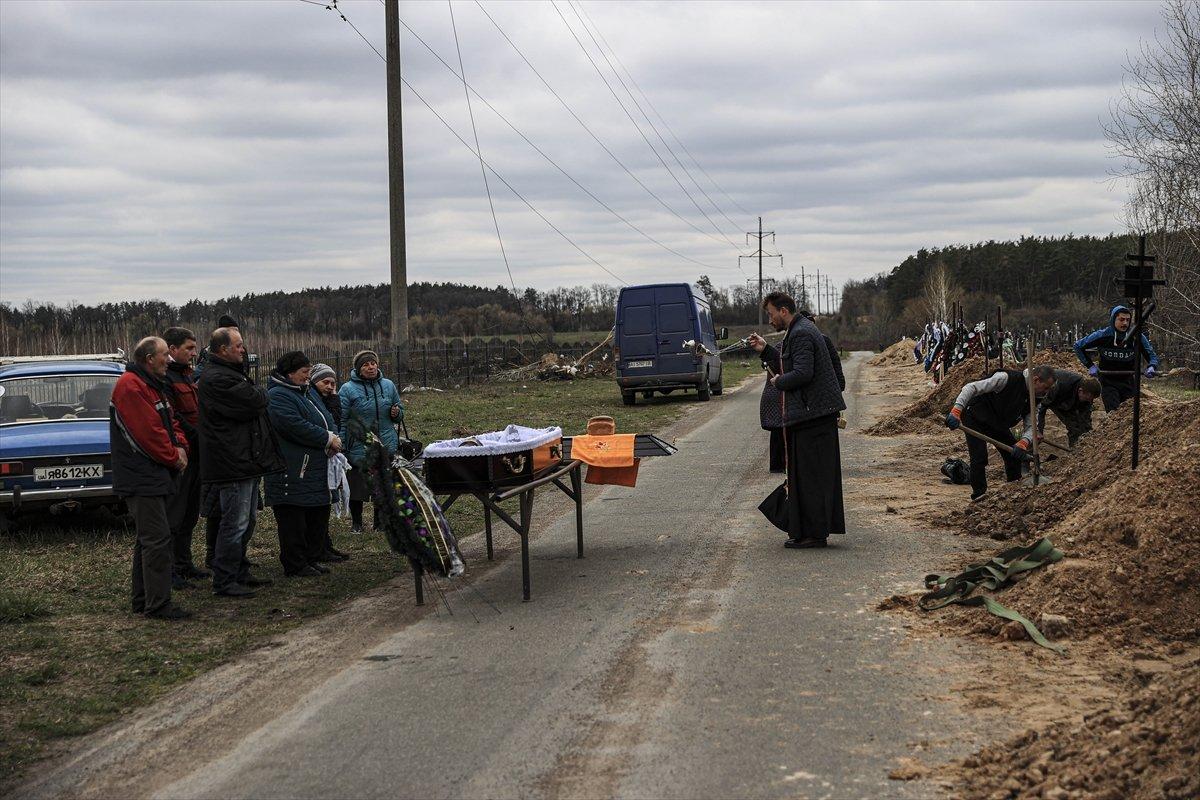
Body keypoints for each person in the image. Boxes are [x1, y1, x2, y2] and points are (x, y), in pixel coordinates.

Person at [749, 292, 847, 549]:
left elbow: (803, 373)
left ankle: (814, 534)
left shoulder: (801, 333)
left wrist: (779, 382)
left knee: (812, 478)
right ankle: (809, 531)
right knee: (807, 477)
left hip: (813, 418)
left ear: (783, 311)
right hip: (811, 416)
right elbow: (790, 363)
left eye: (771, 314)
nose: (770, 320)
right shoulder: (801, 330)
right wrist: (765, 350)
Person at [197, 327, 284, 597]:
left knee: (247, 521)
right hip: (231, 462)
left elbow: (256, 398)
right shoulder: (216, 378)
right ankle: (224, 579)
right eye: (238, 346)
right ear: (223, 349)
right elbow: (255, 400)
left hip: (244, 460)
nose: (243, 350)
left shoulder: (231, 373)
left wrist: (257, 393)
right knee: (234, 523)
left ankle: (239, 570)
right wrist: (258, 393)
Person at [110, 336, 192, 620]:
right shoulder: (131, 387)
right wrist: (174, 456)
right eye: (164, 355)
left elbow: (171, 422)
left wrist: (181, 446)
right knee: (157, 539)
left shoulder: (152, 385)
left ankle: (143, 599)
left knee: (149, 539)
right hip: (141, 476)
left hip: (154, 474)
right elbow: (148, 434)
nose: (169, 360)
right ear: (148, 359)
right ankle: (158, 605)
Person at [265, 352, 342, 577]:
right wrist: (326, 438)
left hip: (311, 467)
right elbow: (294, 425)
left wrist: (333, 437)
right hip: (292, 468)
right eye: (304, 372)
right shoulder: (278, 396)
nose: (308, 376)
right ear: (290, 373)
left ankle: (310, 557)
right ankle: (295, 562)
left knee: (313, 515)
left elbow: (325, 418)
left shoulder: (303, 393)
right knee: (293, 520)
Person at [945, 365, 1057, 502]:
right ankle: (979, 495)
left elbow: (1032, 426)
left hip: (997, 422)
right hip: (974, 415)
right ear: (1035, 380)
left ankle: (1013, 490)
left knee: (1013, 455)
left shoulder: (1035, 399)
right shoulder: (1006, 378)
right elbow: (971, 387)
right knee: (979, 456)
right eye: (1045, 388)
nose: (1046, 392)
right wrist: (956, 410)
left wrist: (1023, 442)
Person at [162, 326, 209, 587]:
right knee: (175, 515)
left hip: (198, 454)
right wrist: (197, 437)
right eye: (189, 348)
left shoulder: (187, 375)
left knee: (190, 514)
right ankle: (169, 570)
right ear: (172, 349)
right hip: (183, 454)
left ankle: (183, 563)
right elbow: (174, 416)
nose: (193, 353)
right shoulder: (166, 377)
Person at [339, 350, 404, 533]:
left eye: (373, 363)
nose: (371, 367)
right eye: (366, 364)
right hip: (359, 445)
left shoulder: (388, 385)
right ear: (358, 369)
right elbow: (342, 419)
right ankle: (357, 523)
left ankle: (379, 522)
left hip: (385, 442)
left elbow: (399, 411)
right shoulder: (347, 389)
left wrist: (397, 413)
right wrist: (341, 443)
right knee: (357, 485)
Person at [1072, 304, 1160, 412]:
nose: (1125, 323)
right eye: (1121, 319)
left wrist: (1152, 366)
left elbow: (1151, 355)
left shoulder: (1137, 337)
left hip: (1128, 381)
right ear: (1113, 319)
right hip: (1108, 381)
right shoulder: (1102, 335)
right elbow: (1078, 346)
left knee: (1129, 412)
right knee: (1114, 412)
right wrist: (1090, 365)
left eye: (1128, 320)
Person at [309, 363, 349, 562]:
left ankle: (325, 544)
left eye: (333, 383)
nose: (330, 387)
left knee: (326, 501)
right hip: (317, 456)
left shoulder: (330, 400)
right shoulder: (311, 399)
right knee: (319, 504)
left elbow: (336, 422)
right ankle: (319, 546)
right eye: (325, 382)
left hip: (330, 453)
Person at [1037, 370, 1101, 447]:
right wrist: (1038, 430)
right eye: (1087, 399)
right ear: (1080, 391)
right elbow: (1041, 407)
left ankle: (1077, 450)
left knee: (1079, 428)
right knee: (1034, 433)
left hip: (1066, 400)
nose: (1089, 401)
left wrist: (1089, 435)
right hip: (1050, 395)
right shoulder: (1059, 385)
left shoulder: (1088, 393)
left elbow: (1086, 417)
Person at [193, 313, 241, 380]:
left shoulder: (241, 351)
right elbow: (198, 375)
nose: (236, 334)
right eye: (232, 331)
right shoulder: (207, 352)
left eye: (237, 331)